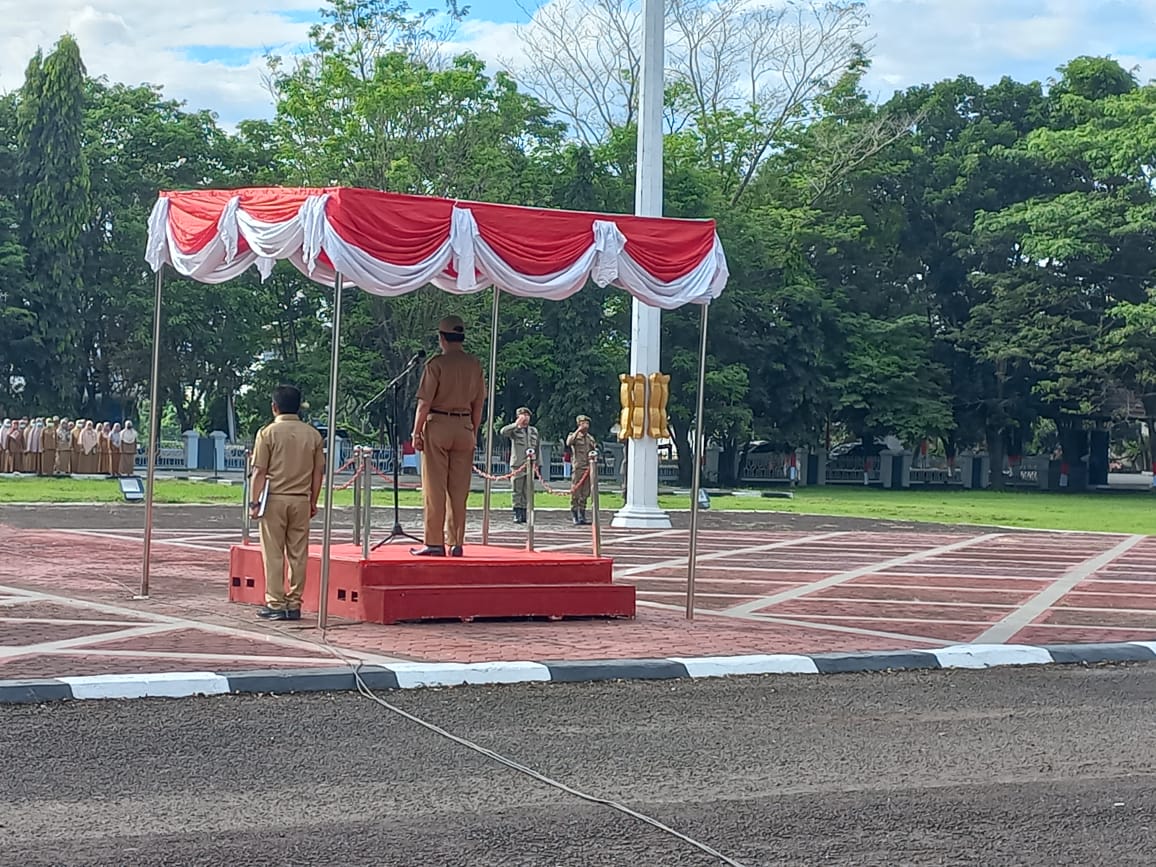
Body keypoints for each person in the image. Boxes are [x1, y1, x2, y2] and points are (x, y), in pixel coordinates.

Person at [410, 315, 486, 557]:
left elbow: (424, 404)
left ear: (441, 337)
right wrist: (473, 430)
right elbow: (479, 405)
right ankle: (456, 542)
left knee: (434, 487)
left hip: (438, 424)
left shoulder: (436, 365)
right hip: (464, 426)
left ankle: (434, 541)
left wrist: (416, 432)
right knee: (459, 489)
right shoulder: (474, 365)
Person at [249, 385, 325, 621]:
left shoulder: (267, 433)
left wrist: (253, 502)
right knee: (298, 554)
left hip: (274, 499)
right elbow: (317, 473)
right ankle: (294, 603)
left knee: (273, 553)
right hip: (301, 499)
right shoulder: (313, 435)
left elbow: (259, 471)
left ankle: (275, 602)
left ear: (274, 407)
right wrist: (313, 500)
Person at [501, 407, 539, 524]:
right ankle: (517, 512)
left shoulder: (533, 431)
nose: (525, 418)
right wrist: (516, 424)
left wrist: (538, 463)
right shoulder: (515, 430)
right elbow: (503, 432)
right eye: (523, 415)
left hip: (530, 464)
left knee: (527, 490)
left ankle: (524, 512)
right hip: (518, 464)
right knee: (517, 490)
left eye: (527, 415)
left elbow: (537, 448)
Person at [566, 414, 598, 526]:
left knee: (585, 492)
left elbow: (594, 449)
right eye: (583, 423)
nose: (585, 425)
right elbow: (569, 443)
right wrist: (578, 431)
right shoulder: (574, 436)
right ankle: (574, 514)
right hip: (578, 467)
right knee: (576, 492)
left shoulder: (590, 438)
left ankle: (582, 515)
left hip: (588, 468)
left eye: (587, 423)